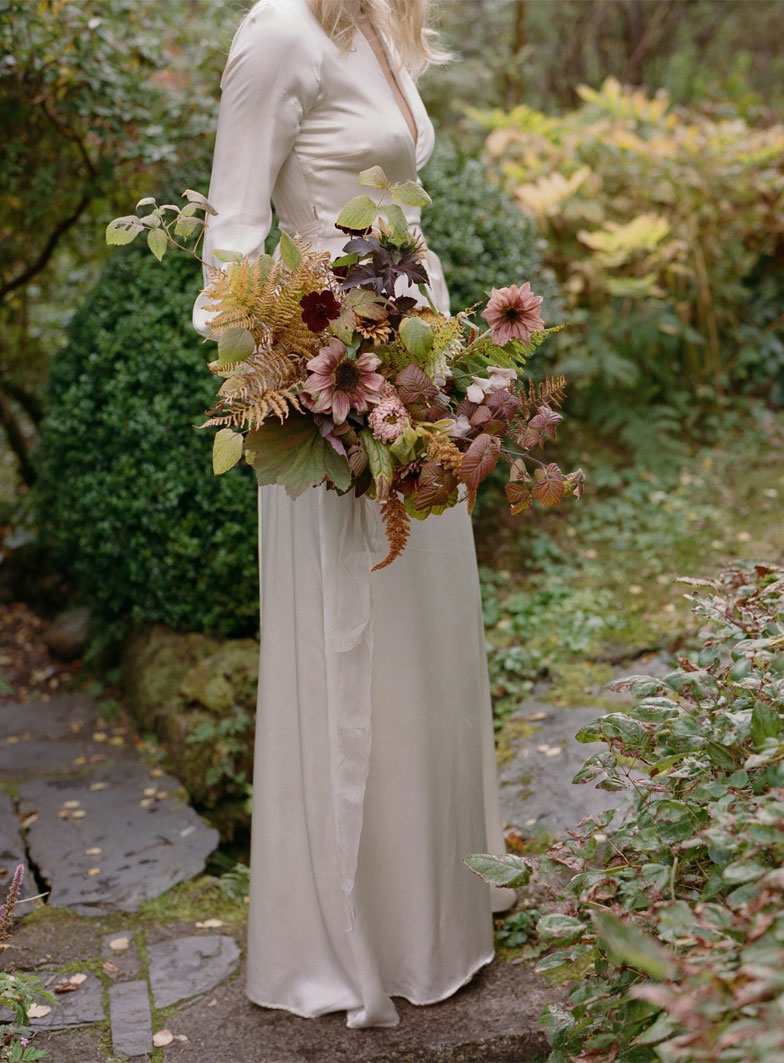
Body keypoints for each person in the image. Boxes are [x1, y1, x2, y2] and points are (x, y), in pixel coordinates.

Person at [192, 0, 514, 1029]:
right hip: (334, 394)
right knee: (357, 648)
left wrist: (441, 366)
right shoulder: (281, 30)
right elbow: (231, 244)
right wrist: (297, 390)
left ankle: (436, 913)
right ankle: (349, 936)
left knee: (423, 648)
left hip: (416, 378)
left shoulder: (379, 22)